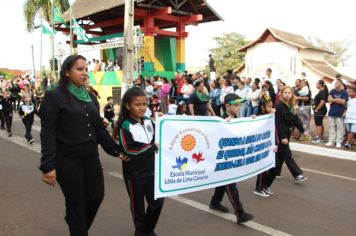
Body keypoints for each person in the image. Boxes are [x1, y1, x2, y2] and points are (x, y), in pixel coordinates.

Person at [39, 55, 121, 236]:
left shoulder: (90, 96)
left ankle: (75, 222)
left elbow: (99, 129)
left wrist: (117, 150)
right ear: (67, 72)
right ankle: (78, 228)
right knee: (76, 203)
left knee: (96, 197)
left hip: (91, 157)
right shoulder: (54, 95)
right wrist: (48, 165)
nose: (85, 73)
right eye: (79, 69)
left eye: (86, 69)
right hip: (66, 159)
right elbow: (48, 132)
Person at [116, 87, 164, 236]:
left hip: (152, 171)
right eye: (138, 104)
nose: (142, 108)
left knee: (158, 202)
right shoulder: (125, 125)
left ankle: (146, 230)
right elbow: (128, 150)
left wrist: (164, 121)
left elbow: (161, 135)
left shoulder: (148, 121)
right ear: (128, 106)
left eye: (144, 104)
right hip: (134, 174)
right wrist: (151, 148)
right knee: (138, 209)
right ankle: (141, 232)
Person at [209, 93, 254, 224]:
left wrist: (252, 121)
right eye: (236, 105)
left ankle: (215, 202)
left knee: (224, 182)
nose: (239, 107)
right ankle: (240, 213)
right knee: (230, 183)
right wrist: (224, 126)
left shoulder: (238, 119)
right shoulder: (221, 120)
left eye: (240, 104)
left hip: (232, 158)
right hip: (224, 159)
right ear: (227, 106)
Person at [275, 86, 309, 183]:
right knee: (287, 154)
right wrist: (283, 137)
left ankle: (276, 172)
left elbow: (295, 119)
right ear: (282, 94)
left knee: (281, 154)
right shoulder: (279, 105)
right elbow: (279, 123)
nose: (287, 94)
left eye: (289, 93)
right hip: (281, 133)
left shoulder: (290, 105)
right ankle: (297, 174)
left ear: (292, 94)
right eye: (285, 92)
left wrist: (303, 130)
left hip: (287, 131)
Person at [254, 95, 278, 197]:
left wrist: (276, 143)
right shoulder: (259, 118)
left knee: (274, 166)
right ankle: (259, 188)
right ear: (262, 107)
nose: (271, 109)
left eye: (272, 106)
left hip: (271, 146)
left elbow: (274, 130)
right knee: (263, 167)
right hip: (262, 147)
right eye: (269, 106)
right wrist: (253, 119)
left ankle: (265, 185)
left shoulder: (271, 117)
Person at [325, 78, 348, 148]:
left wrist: (333, 100)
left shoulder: (344, 92)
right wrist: (338, 100)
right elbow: (329, 100)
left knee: (340, 128)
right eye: (335, 83)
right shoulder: (332, 91)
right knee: (331, 127)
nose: (335, 84)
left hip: (340, 112)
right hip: (332, 112)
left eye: (337, 83)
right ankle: (331, 141)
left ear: (341, 84)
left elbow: (343, 101)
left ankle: (339, 142)